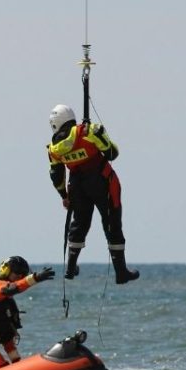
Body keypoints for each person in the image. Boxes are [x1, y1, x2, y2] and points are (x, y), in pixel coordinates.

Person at [47, 103, 139, 284]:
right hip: (102, 182)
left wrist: (64, 196)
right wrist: (98, 134)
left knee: (79, 223)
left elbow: (56, 175)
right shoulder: (88, 132)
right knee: (112, 222)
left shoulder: (53, 148)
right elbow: (112, 153)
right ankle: (121, 272)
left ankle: (71, 268)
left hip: (77, 186)